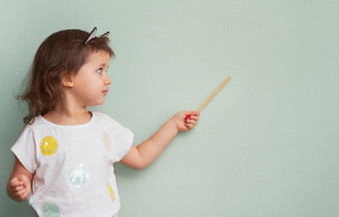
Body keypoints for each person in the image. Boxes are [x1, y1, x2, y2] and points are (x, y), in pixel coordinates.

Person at [7, 27, 200, 217]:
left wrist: (173, 125)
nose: (108, 80)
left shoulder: (104, 127)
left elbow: (140, 157)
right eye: (99, 70)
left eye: (106, 70)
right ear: (68, 77)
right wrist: (18, 188)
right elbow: (18, 180)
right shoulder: (37, 131)